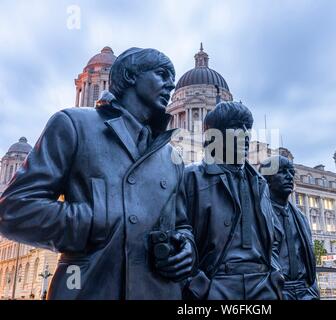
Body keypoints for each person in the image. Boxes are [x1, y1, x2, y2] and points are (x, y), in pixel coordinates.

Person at [0, 47, 196, 299]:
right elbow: (14, 209)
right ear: (131, 75)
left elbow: (182, 224)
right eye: (162, 74)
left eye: (172, 77)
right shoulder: (73, 125)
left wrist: (187, 247)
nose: (171, 85)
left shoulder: (172, 156)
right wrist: (95, 220)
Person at [183, 101, 284, 300]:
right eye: (237, 127)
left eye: (248, 128)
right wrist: (197, 284)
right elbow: (180, 230)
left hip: (263, 285)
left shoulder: (261, 183)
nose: (245, 134)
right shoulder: (191, 177)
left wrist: (275, 273)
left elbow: (271, 237)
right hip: (216, 284)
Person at [260, 155, 319, 300]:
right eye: (282, 171)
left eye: (291, 172)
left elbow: (309, 258)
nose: (289, 177)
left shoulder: (301, 217)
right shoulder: (258, 214)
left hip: (305, 291)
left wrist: (313, 289)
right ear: (267, 178)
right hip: (275, 290)